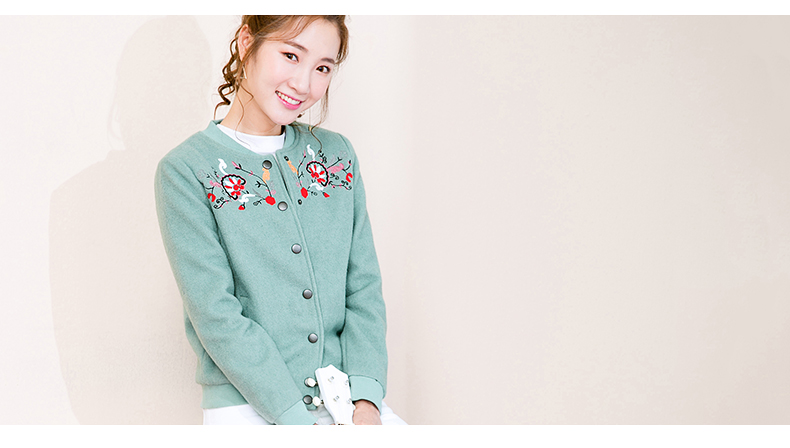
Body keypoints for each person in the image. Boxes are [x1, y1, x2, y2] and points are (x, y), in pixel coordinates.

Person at [154, 15, 405, 425]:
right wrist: (297, 423)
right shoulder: (186, 170)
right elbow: (216, 315)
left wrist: (367, 402)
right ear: (246, 41)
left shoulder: (336, 156)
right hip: (247, 408)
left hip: (349, 399)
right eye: (290, 55)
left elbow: (362, 288)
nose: (304, 84)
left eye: (322, 67)